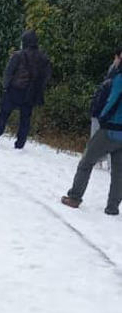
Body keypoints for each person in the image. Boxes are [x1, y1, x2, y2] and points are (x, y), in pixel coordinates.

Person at [62, 49, 122, 215]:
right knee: (119, 172)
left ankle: (74, 197)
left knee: (86, 162)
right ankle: (113, 207)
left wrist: (102, 117)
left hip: (111, 128)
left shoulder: (119, 78)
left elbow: (113, 99)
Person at [0, 30, 53, 148]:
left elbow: (9, 72)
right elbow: (47, 76)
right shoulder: (44, 58)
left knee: (4, 114)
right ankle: (20, 144)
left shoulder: (18, 55)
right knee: (25, 119)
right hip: (31, 93)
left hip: (15, 90)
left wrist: (6, 87)